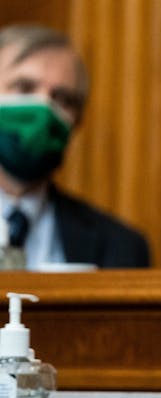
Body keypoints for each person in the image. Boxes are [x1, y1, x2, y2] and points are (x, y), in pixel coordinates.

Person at [0, 24, 150, 269]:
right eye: (24, 88)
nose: (44, 107)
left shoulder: (120, 247)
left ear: (78, 121)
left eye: (63, 99)